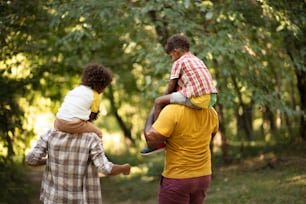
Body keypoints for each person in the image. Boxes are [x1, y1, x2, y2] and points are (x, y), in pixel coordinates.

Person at [141, 34, 218, 155]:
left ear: (176, 52)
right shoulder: (197, 60)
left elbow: (171, 86)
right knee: (171, 98)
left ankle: (159, 141)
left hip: (196, 98)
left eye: (171, 55)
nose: (172, 58)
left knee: (158, 101)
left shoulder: (179, 62)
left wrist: (164, 99)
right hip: (210, 98)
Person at [26, 128, 131, 203]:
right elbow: (106, 169)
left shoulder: (50, 134)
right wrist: (124, 168)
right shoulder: (91, 138)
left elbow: (31, 160)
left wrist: (49, 160)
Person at [144, 103, 219, 204]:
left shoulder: (172, 110)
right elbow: (212, 135)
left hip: (178, 178)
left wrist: (155, 106)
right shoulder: (211, 111)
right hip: (203, 177)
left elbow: (151, 140)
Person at [54, 63, 113, 138]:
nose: (103, 91)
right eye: (104, 87)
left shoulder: (77, 89)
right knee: (98, 133)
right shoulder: (95, 96)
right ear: (100, 85)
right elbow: (92, 117)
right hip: (72, 124)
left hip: (58, 122)